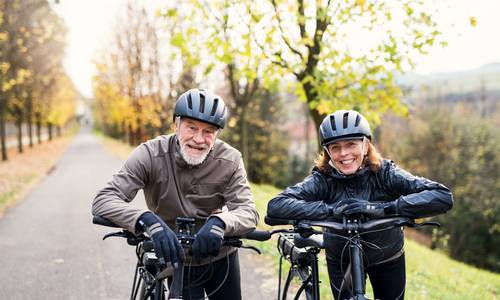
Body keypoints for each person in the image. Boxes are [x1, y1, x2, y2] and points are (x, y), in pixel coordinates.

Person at [266, 109, 453, 300]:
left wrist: (385, 208)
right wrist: (330, 210)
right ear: (327, 152)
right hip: (341, 258)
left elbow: (441, 196)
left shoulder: (385, 173)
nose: (343, 153)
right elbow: (276, 206)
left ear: (366, 145)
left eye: (351, 144)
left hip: (387, 257)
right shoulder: (323, 178)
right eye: (335, 147)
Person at [92, 88, 258, 300]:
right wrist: (145, 220)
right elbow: (103, 199)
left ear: (216, 134)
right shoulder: (150, 154)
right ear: (175, 125)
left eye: (208, 131)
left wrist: (221, 222)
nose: (199, 139)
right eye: (191, 127)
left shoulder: (231, 160)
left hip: (219, 253)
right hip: (172, 252)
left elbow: (248, 212)